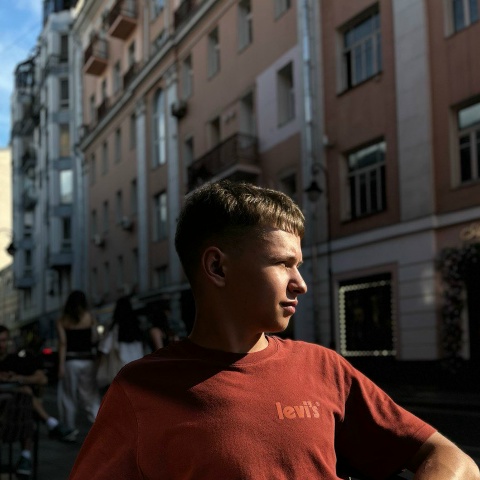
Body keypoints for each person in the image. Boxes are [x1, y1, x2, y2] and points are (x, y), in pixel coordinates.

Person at [69, 180, 480, 479]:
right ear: (217, 267)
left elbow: (453, 460)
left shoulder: (324, 368)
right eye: (284, 264)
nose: (300, 283)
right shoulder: (140, 390)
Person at [0, 325, 76, 477]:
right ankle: (50, 424)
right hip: (6, 410)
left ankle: (27, 454)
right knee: (26, 394)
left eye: (4, 340)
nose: (2, 344)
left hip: (17, 413)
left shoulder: (15, 360)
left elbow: (42, 379)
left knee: (25, 397)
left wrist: (18, 379)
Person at [57, 290, 101, 438]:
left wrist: (61, 365)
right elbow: (95, 338)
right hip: (88, 361)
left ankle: (70, 430)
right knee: (90, 396)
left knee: (69, 397)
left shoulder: (63, 320)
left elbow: (63, 343)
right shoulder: (90, 317)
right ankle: (99, 426)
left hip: (70, 361)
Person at [99, 295, 144, 369]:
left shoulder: (116, 326)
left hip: (122, 364)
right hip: (138, 363)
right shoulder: (136, 325)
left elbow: (105, 347)